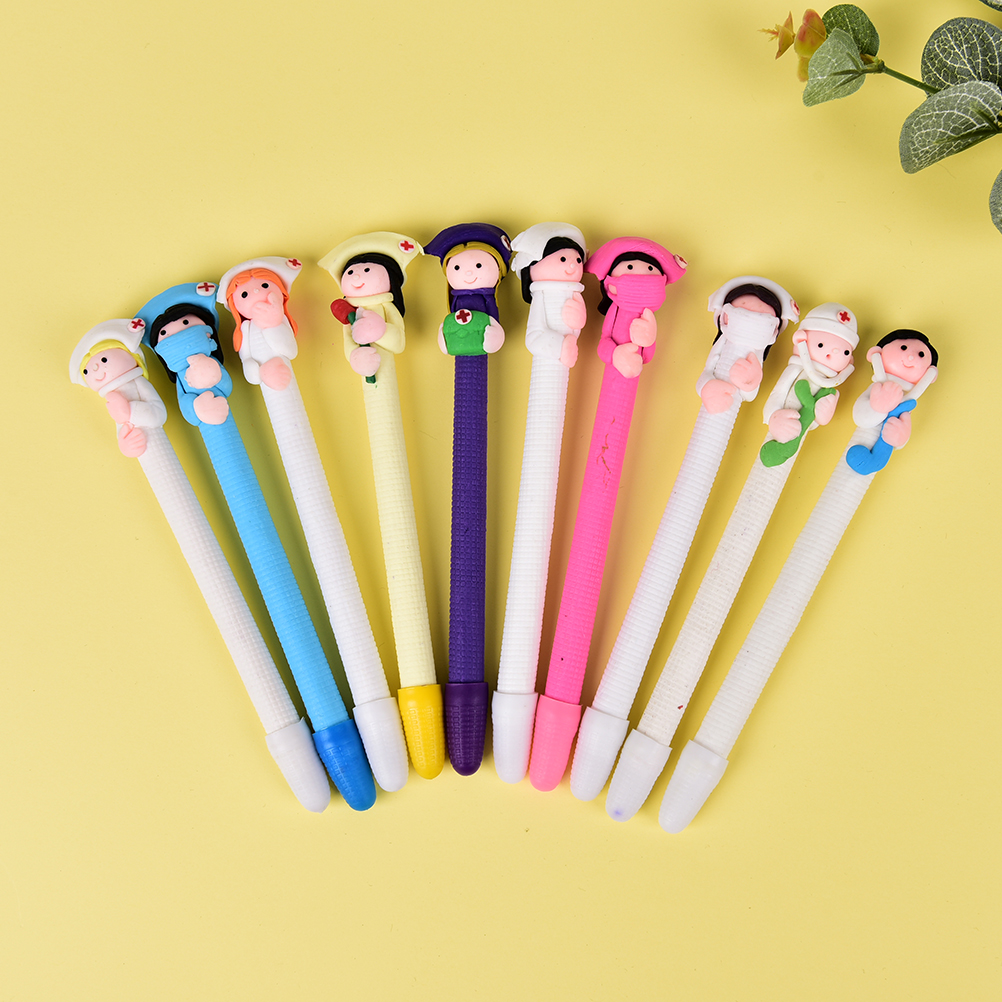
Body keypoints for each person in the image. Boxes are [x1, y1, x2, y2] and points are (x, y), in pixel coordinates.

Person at [759, 301, 857, 468]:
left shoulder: (829, 387)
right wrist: (773, 416)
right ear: (800, 341)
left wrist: (822, 415)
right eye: (820, 345)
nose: (832, 352)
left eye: (845, 352)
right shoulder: (795, 370)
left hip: (800, 430)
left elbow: (818, 418)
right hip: (782, 422)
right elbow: (779, 392)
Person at [584, 237, 688, 377]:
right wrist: (615, 354)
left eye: (650, 268)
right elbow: (605, 341)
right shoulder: (616, 310)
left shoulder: (648, 317)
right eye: (630, 267)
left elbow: (646, 356)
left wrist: (648, 340)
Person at [698, 277, 799, 413]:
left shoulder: (756, 355)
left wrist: (750, 382)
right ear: (725, 317)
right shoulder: (723, 342)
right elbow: (707, 371)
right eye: (742, 312)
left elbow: (749, 395)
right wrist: (707, 386)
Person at [69, 318, 167, 457]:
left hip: (157, 441)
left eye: (104, 359)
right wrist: (125, 444)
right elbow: (122, 425)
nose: (95, 368)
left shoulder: (139, 382)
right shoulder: (112, 397)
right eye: (86, 371)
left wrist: (130, 411)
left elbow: (159, 414)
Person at [847, 329, 938, 474]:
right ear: (876, 353)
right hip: (858, 450)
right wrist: (879, 406)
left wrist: (899, 437)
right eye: (903, 347)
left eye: (921, 355)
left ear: (930, 375)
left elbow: (903, 424)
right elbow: (860, 418)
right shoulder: (876, 388)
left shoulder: (907, 402)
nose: (911, 357)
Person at [509, 222, 588, 367]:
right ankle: (560, 347)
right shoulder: (541, 296)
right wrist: (563, 347)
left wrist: (579, 319)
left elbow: (575, 327)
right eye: (563, 259)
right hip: (547, 343)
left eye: (578, 260)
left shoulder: (575, 295)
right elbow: (535, 331)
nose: (572, 265)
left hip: (567, 348)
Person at [218, 257, 303, 390]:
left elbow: (290, 351)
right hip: (260, 368)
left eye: (264, 285)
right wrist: (248, 363)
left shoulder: (281, 319)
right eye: (244, 294)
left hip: (281, 366)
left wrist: (273, 322)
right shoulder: (246, 327)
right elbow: (245, 353)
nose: (256, 291)